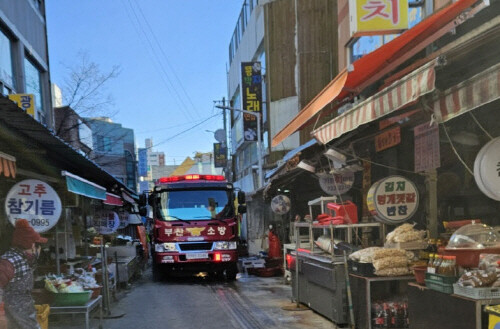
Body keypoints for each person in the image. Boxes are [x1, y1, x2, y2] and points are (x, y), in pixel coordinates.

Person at [0, 219, 47, 329]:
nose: (38, 249)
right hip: (11, 317)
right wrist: (1, 315)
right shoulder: (8, 262)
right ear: (31, 245)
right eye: (37, 244)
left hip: (24, 315)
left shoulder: (24, 259)